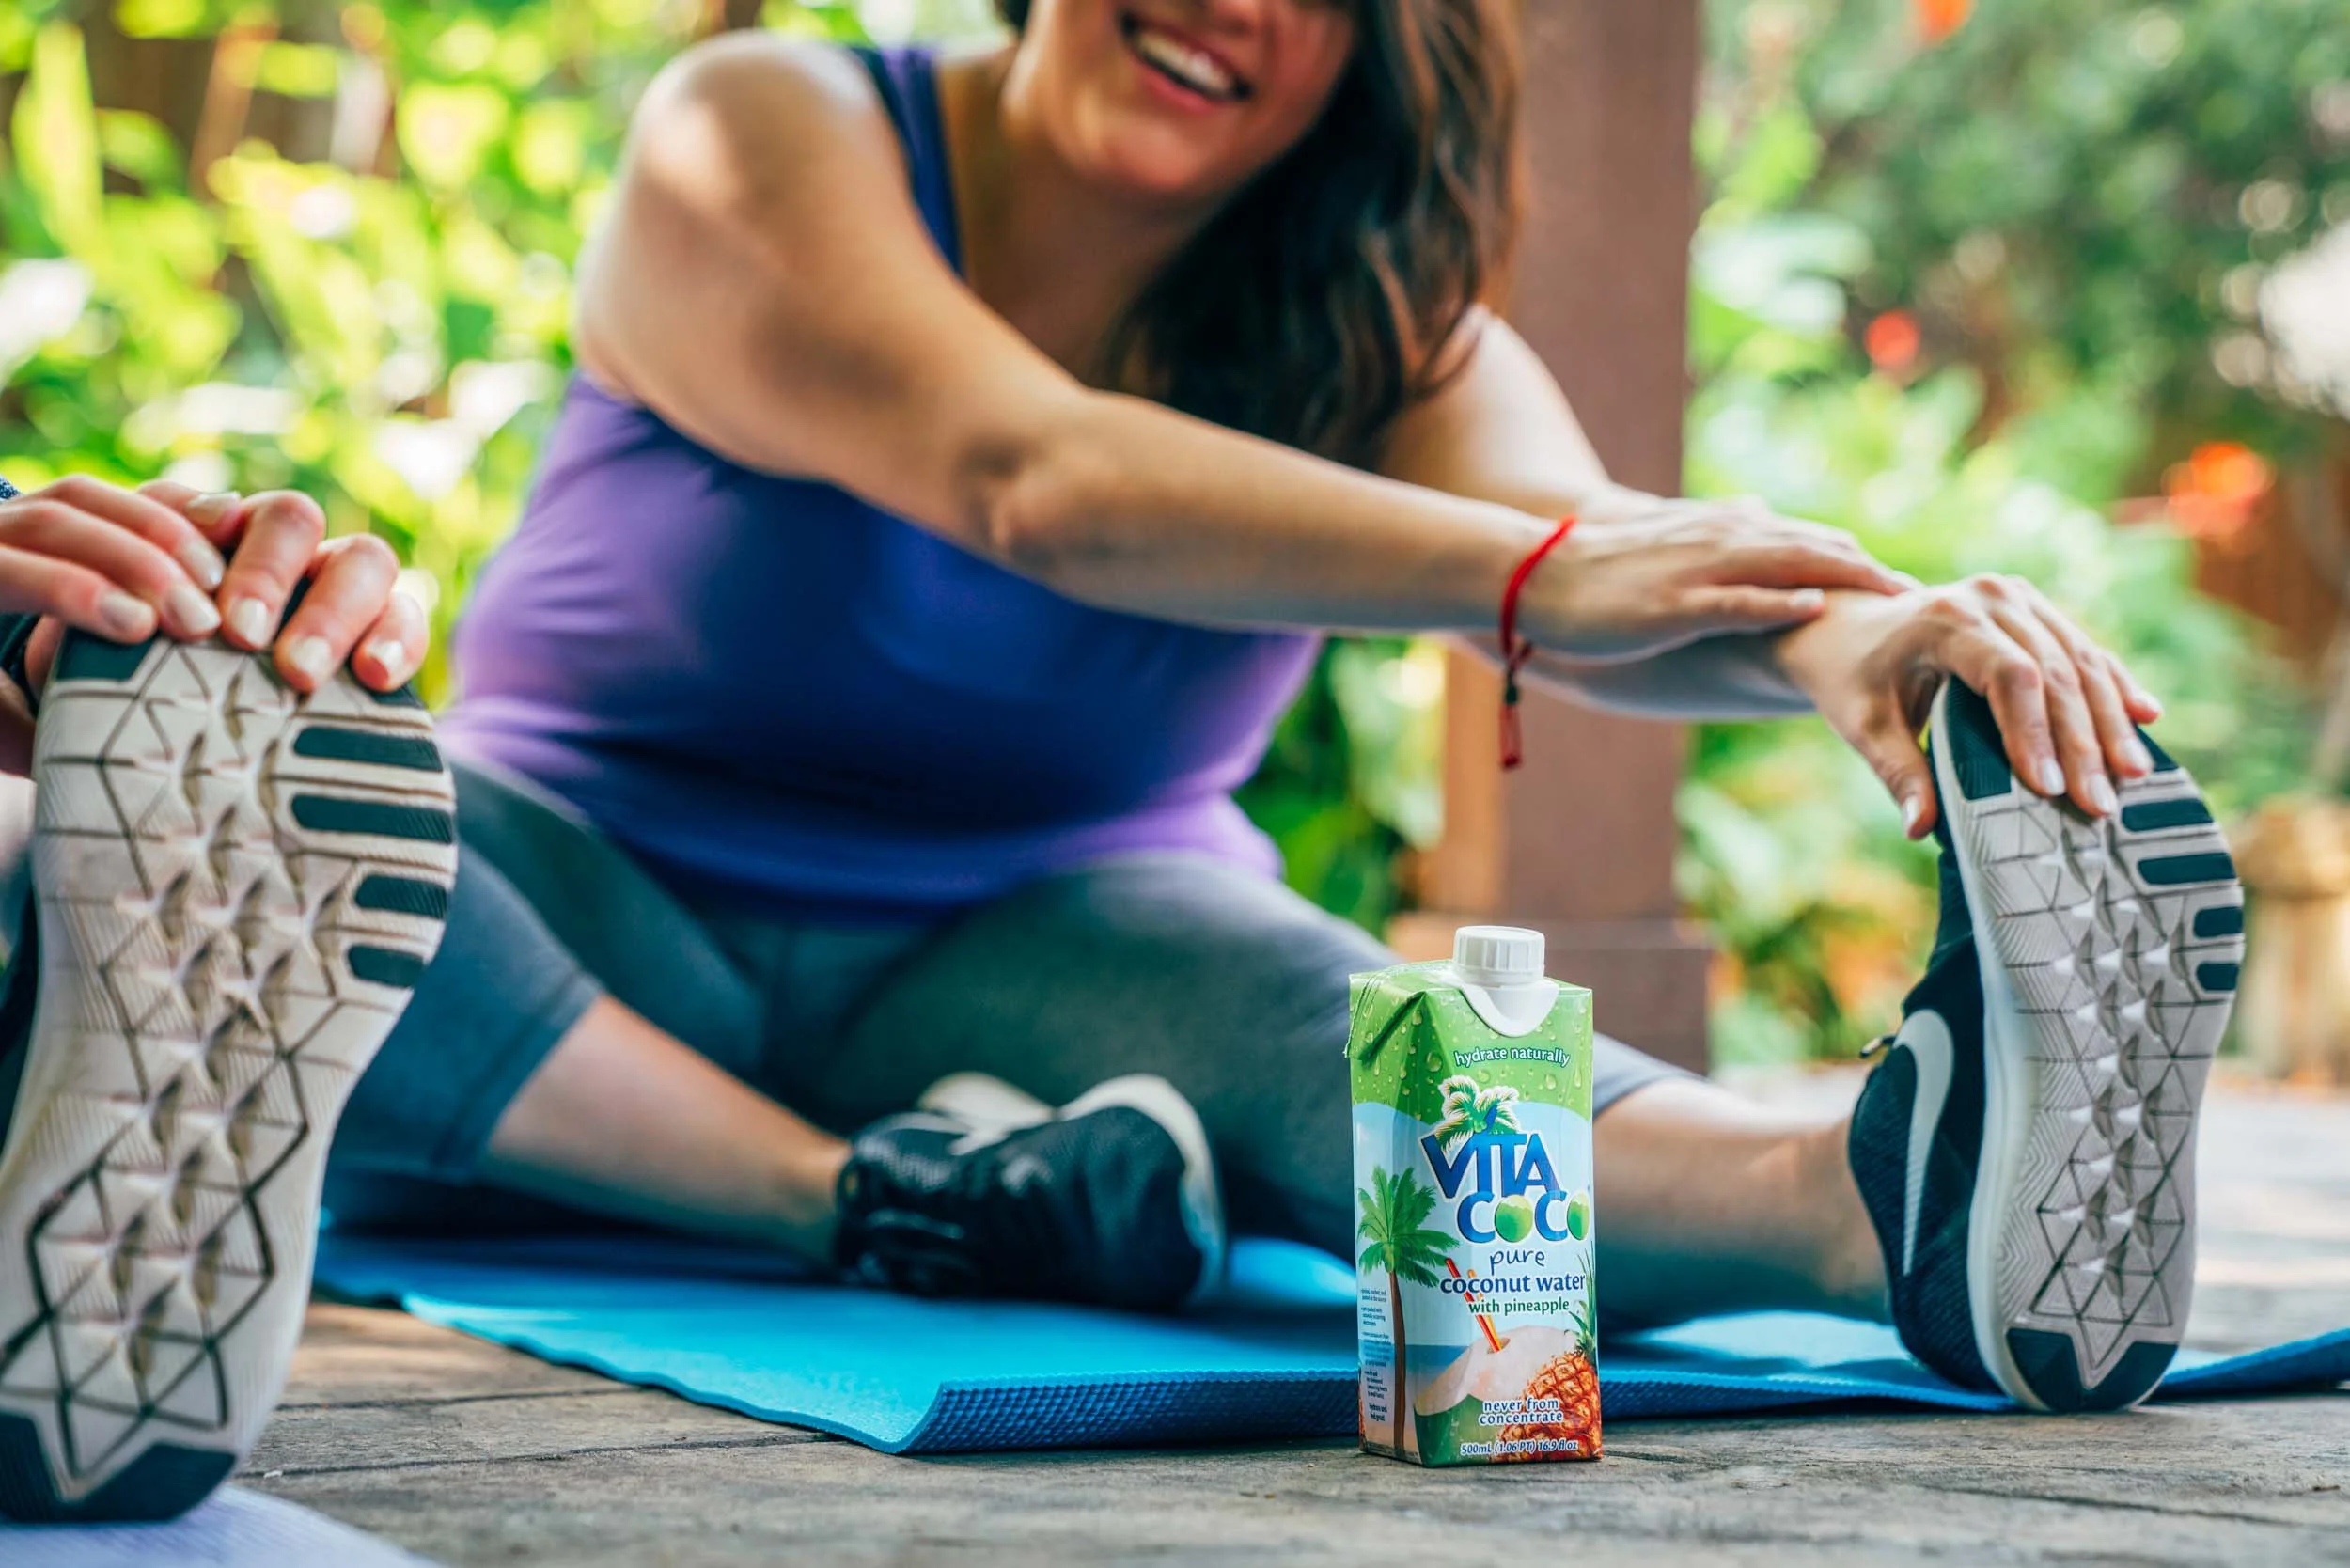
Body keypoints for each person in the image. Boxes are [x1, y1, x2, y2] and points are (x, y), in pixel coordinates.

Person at [0, 0, 2242, 1524]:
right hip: (580, 893)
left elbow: (1607, 553)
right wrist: (1545, 572)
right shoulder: (762, 124)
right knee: (298, 813)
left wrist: (1871, 643)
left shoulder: (1378, 330)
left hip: (1050, 944)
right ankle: (875, 1193)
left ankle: (1875, 1204)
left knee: (1321, 1012)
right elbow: (1027, 473)